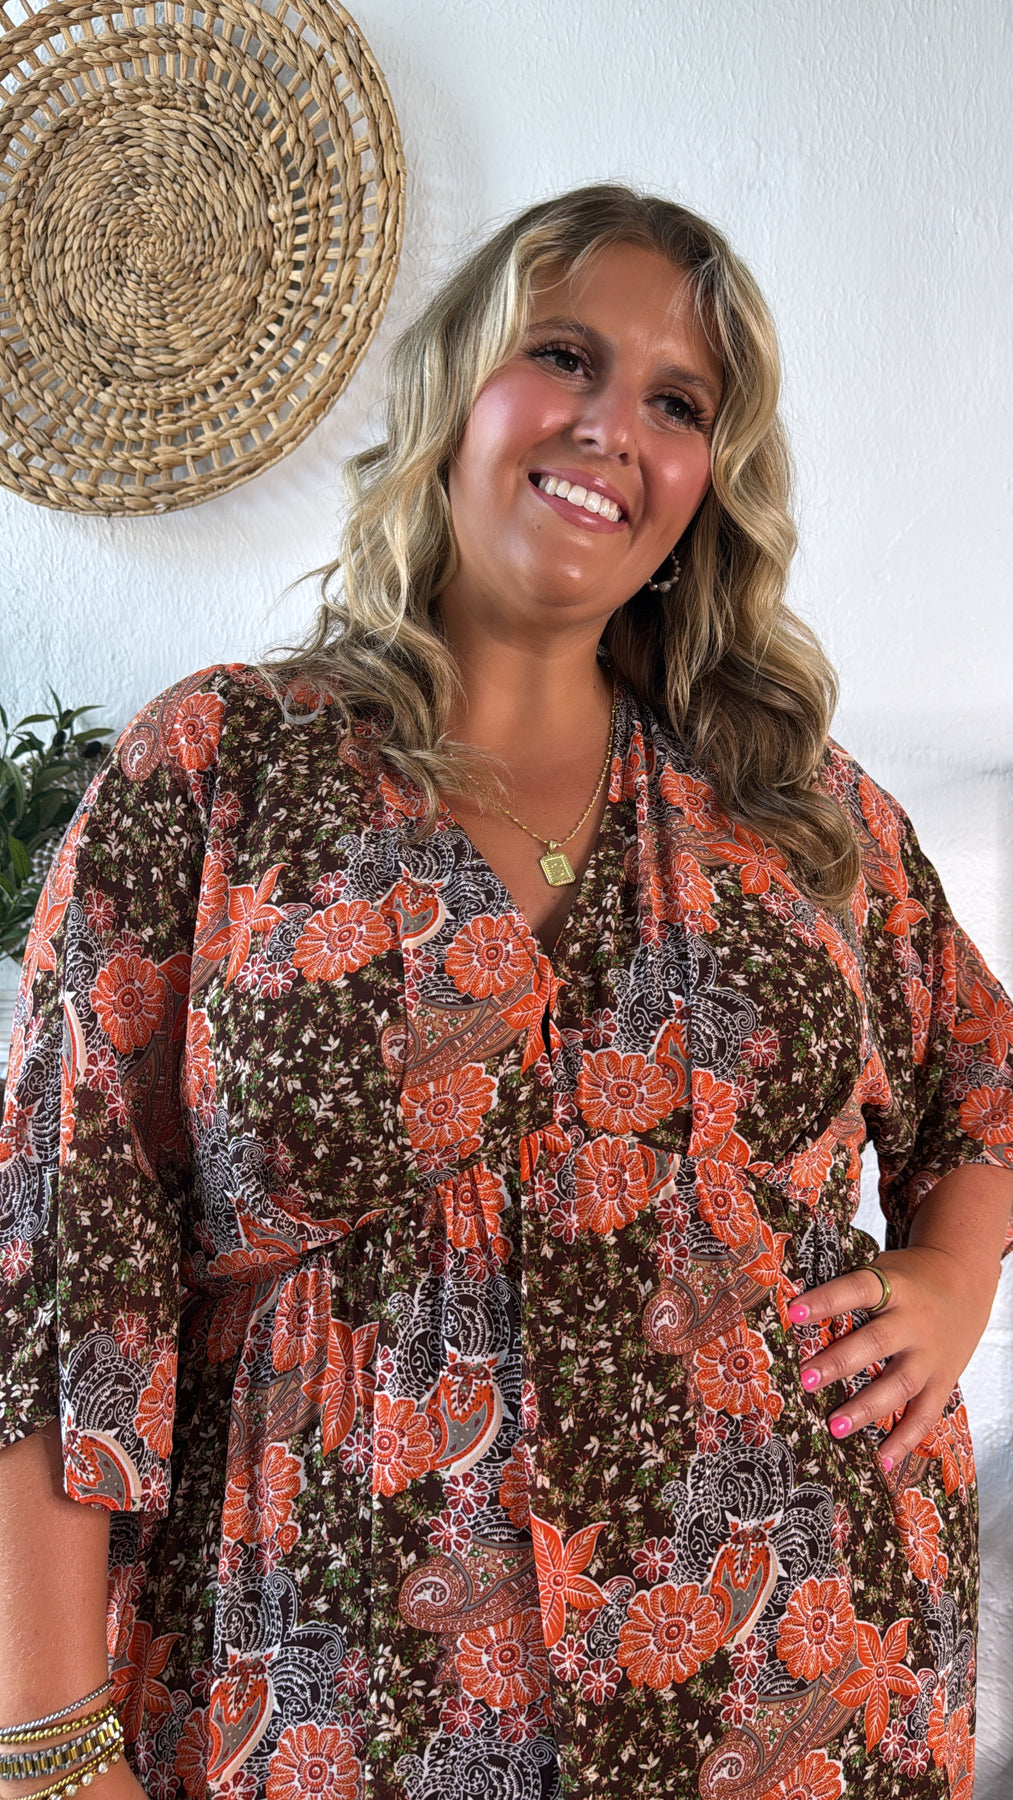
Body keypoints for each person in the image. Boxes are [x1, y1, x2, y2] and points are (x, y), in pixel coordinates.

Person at [0, 185, 1009, 1800]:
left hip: (810, 1690)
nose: (614, 427)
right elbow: (62, 1271)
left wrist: (950, 1279)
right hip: (326, 1709)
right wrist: (47, 1750)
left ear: (709, 482)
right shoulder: (223, 765)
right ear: (455, 387)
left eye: (679, 404)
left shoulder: (796, 808)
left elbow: (983, 1079)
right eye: (566, 356)